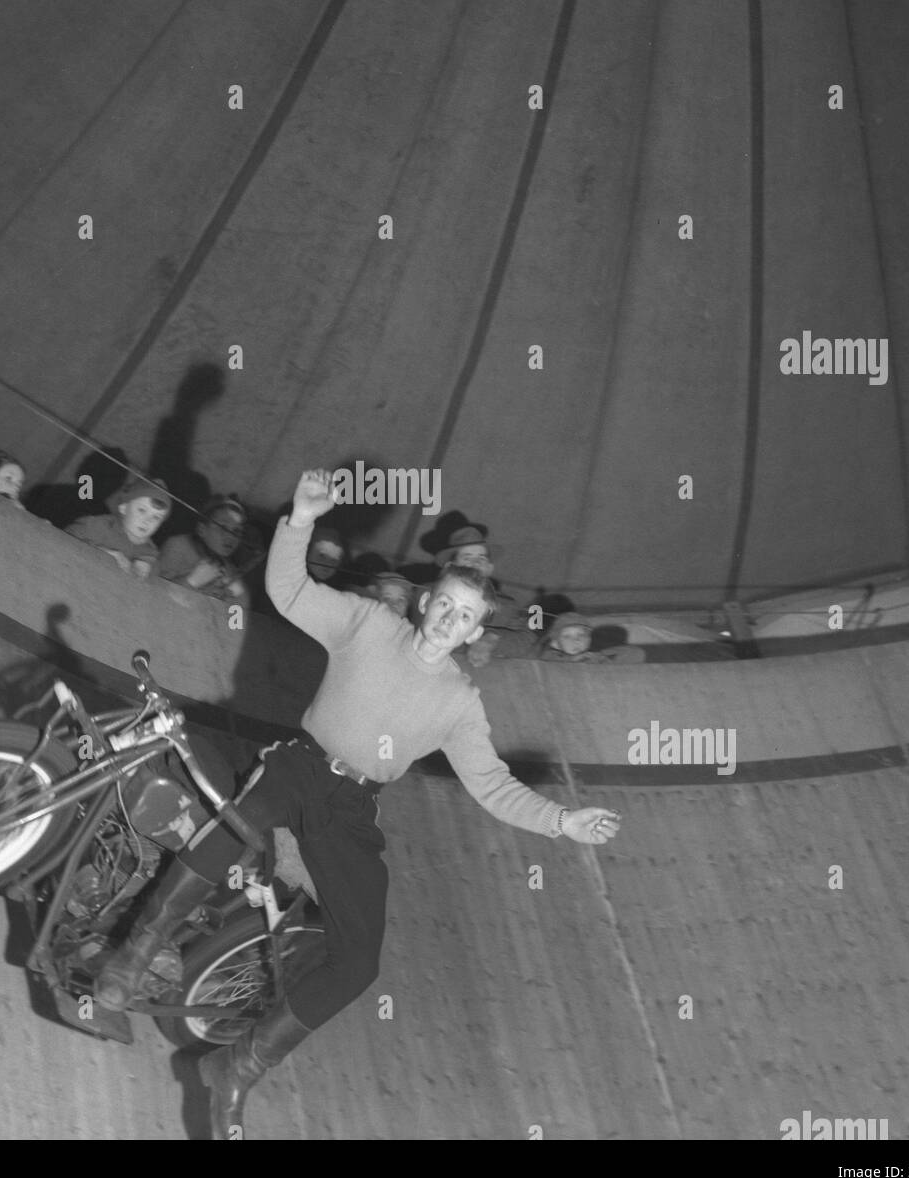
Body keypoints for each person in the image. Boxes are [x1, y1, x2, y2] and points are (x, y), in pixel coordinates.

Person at [91, 468, 622, 1138]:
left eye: (465, 619)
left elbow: (491, 783)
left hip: (353, 809)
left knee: (360, 958)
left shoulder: (460, 702)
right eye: (444, 605)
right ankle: (128, 962)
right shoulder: (370, 623)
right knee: (236, 823)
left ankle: (236, 1068)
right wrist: (302, 520)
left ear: (470, 634)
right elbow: (287, 591)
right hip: (303, 765)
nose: (448, 622)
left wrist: (560, 820)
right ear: (427, 601)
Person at [67, 475, 171, 578]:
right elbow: (64, 538)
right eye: (142, 510)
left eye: (156, 517)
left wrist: (147, 566)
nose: (147, 521)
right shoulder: (98, 525)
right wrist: (103, 553)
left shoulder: (151, 552)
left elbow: (156, 573)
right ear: (123, 508)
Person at [157, 495, 257, 603]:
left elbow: (236, 618)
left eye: (237, 531)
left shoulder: (229, 570)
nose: (230, 536)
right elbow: (154, 594)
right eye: (223, 527)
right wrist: (192, 581)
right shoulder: (178, 546)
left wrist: (238, 599)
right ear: (202, 530)